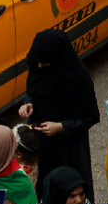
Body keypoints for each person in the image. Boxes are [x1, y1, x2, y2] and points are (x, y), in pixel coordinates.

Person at [19, 29, 100, 189]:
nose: (40, 66)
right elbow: (33, 90)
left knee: (66, 191)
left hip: (67, 148)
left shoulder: (78, 80)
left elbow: (91, 117)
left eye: (45, 63)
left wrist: (61, 127)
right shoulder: (37, 66)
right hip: (40, 143)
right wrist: (28, 103)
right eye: (38, 62)